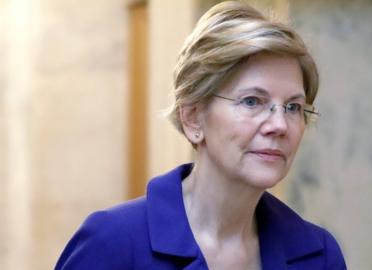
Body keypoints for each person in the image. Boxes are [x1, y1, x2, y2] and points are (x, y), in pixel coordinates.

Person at [55, 1, 346, 269]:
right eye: (252, 101)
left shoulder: (319, 255)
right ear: (193, 117)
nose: (280, 125)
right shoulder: (112, 244)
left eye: (293, 107)